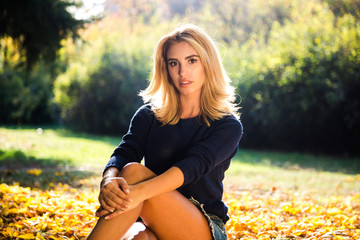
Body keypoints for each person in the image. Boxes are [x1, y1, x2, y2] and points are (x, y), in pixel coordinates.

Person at [87, 24, 243, 240]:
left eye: (192, 60)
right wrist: (108, 181)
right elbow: (125, 152)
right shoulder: (148, 115)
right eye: (173, 63)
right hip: (149, 219)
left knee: (133, 173)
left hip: (202, 226)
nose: (182, 72)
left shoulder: (227, 125)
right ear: (166, 68)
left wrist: (137, 193)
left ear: (208, 63)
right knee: (140, 237)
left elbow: (191, 166)